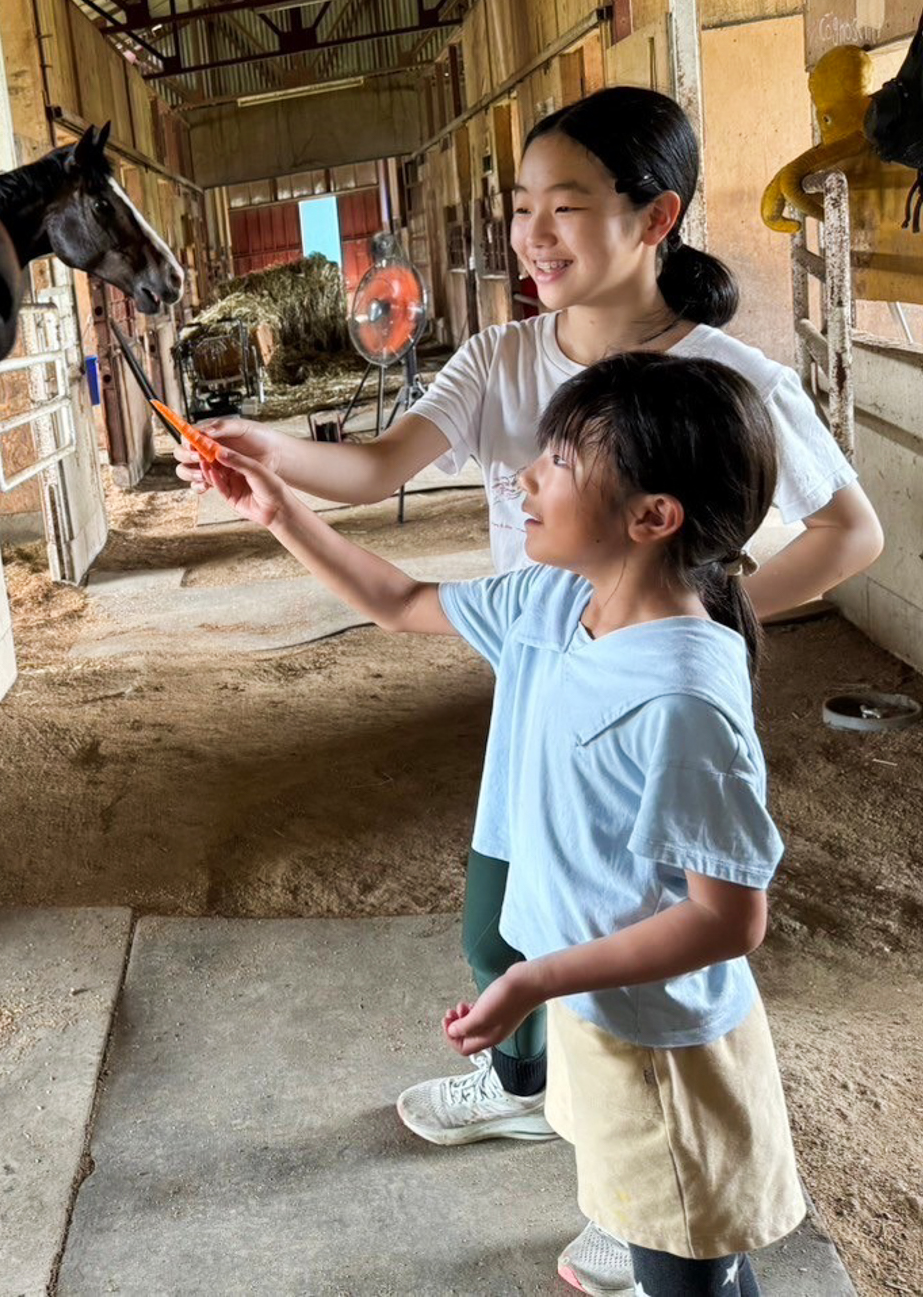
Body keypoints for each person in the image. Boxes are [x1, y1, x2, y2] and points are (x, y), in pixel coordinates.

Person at [177, 87, 880, 1291]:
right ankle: (562, 1116)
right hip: (545, 673)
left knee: (620, 941)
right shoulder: (511, 383)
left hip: (620, 671)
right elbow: (382, 503)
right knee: (506, 922)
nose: (531, 236)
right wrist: (259, 458)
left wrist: (704, 623)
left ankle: (644, 1204)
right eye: (518, 209)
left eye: (565, 207)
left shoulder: (722, 387)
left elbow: (847, 532)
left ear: (653, 214)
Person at [205, 352, 806, 1297]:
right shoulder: (557, 602)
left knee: (689, 1270)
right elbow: (401, 604)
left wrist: (533, 978)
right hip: (600, 1015)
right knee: (661, 1251)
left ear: (652, 518)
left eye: (560, 462)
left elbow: (731, 920)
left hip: (664, 1048)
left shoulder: (683, 698)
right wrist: (279, 509)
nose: (525, 476)